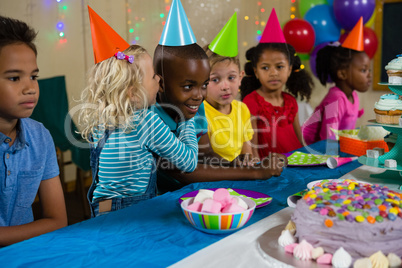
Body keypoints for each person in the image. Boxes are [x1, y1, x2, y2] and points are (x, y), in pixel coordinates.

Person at [79, 7, 198, 217]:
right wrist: (187, 120)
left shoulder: (100, 119)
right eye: (154, 77)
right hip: (132, 213)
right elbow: (188, 162)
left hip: (100, 211)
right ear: (133, 93)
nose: (159, 80)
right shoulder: (145, 121)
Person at [0, 15, 67, 246]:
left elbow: (58, 220)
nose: (30, 88)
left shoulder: (40, 137)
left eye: (34, 76)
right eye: (14, 77)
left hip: (25, 255)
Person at [302, 18, 370, 145]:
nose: (369, 75)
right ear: (342, 73)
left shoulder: (353, 95)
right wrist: (335, 160)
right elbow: (328, 137)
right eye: (363, 70)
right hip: (312, 149)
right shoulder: (336, 100)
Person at [202, 13, 258, 164]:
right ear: (203, 82)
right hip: (215, 177)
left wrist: (250, 163)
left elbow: (248, 153)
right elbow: (204, 159)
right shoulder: (200, 113)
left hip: (239, 177)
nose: (225, 86)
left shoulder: (242, 109)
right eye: (215, 79)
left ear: (240, 77)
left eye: (231, 78)